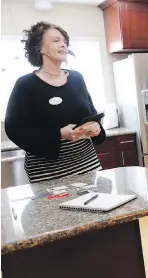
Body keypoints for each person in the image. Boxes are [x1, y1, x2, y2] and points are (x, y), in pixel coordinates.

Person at [5, 21, 106, 183]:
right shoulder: (25, 85)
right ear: (41, 48)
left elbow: (91, 115)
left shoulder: (77, 78)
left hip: (87, 165)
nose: (63, 45)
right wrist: (58, 134)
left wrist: (95, 128)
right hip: (47, 172)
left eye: (65, 42)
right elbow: (15, 129)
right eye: (56, 40)